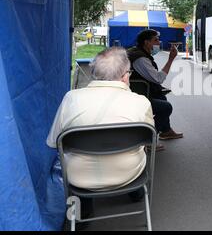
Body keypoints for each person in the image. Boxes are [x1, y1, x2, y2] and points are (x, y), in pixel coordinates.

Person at [47, 47, 155, 214]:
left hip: (78, 176)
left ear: (93, 73)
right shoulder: (141, 102)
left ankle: (83, 211)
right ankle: (136, 193)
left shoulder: (71, 98)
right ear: (125, 76)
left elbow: (54, 142)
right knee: (138, 149)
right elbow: (151, 140)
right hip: (127, 173)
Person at [127, 29, 183, 140]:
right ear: (146, 43)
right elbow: (158, 78)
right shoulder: (141, 59)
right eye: (156, 40)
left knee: (162, 98)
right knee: (166, 107)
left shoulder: (138, 53)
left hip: (138, 92)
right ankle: (147, 139)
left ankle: (166, 131)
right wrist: (171, 59)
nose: (159, 43)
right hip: (136, 96)